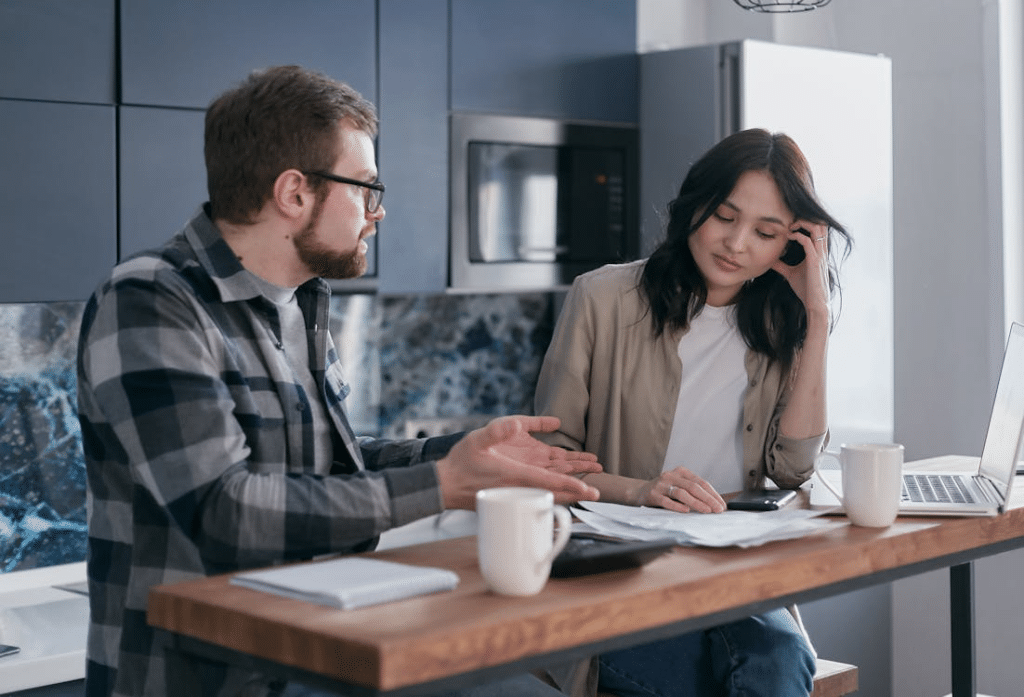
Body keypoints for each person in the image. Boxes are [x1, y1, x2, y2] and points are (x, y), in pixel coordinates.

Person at [76, 65, 602, 697]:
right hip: (204, 678)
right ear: (294, 193)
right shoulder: (151, 299)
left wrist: (458, 455)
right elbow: (224, 511)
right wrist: (443, 484)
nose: (376, 213)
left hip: (314, 656)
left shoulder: (300, 301)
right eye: (365, 187)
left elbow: (325, 472)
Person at [533, 128, 852, 697]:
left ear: (791, 246)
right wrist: (642, 490)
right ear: (695, 207)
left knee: (780, 657)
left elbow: (795, 468)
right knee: (709, 679)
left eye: (766, 233)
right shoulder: (601, 300)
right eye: (725, 216)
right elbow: (548, 467)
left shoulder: (784, 323)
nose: (736, 243)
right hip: (621, 577)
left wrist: (818, 316)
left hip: (735, 577)